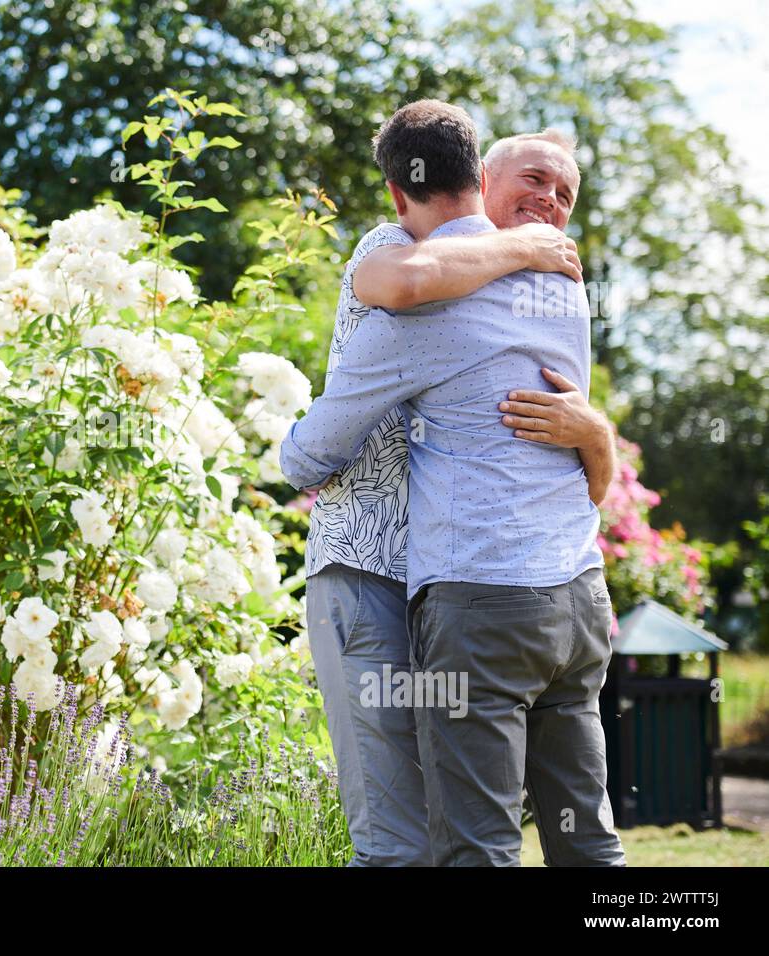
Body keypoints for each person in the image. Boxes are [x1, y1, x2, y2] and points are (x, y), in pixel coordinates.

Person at [285, 99, 625, 866]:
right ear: (482, 177)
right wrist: (523, 248)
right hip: (567, 594)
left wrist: (596, 434)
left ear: (399, 191)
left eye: (564, 196)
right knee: (582, 837)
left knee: (454, 843)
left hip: (466, 590)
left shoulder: (426, 297)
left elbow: (312, 456)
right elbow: (402, 276)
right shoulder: (556, 281)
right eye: (536, 182)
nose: (551, 206)